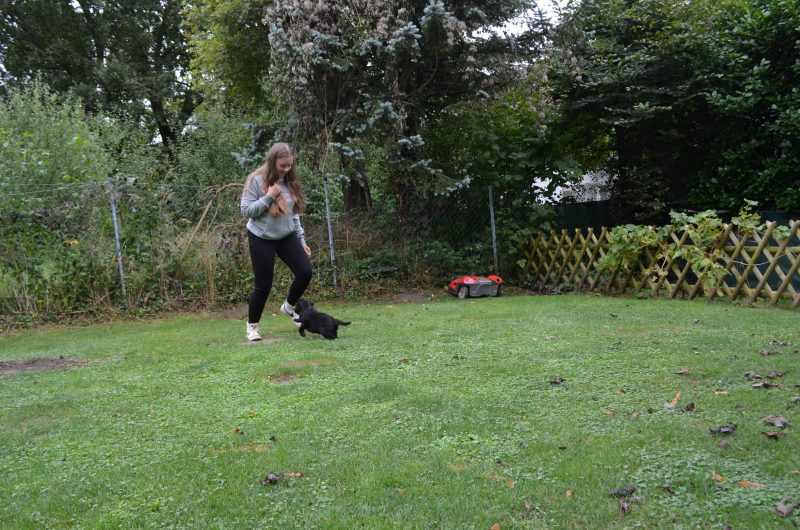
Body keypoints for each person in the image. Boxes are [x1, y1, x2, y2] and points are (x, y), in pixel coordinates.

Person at [240, 142, 312, 341]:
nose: (286, 169)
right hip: (261, 238)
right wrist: (269, 197)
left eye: (289, 165)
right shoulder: (256, 180)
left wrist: (301, 240)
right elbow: (246, 211)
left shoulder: (289, 181)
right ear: (272, 162)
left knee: (305, 272)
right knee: (263, 285)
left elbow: (293, 214)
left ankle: (289, 307)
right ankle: (252, 327)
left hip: (286, 235)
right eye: (282, 166)